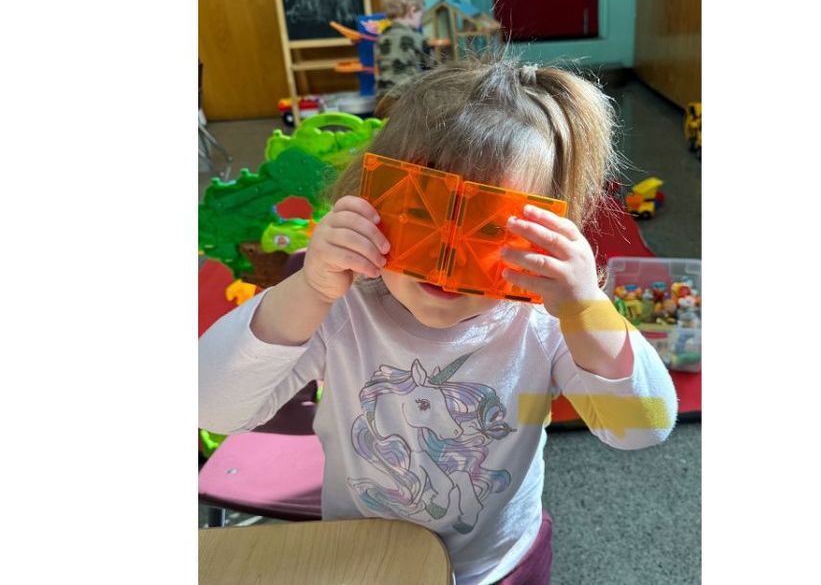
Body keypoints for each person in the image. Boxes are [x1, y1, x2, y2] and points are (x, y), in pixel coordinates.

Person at [199, 56, 678, 585]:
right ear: (368, 199)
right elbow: (208, 404)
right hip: (369, 561)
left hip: (502, 565)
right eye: (420, 215)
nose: (448, 263)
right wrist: (308, 289)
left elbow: (643, 427)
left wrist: (586, 307)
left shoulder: (542, 321)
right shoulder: (345, 307)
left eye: (489, 231)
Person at [374, 0, 431, 113]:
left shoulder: (381, 38)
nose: (420, 19)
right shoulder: (417, 38)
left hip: (382, 101)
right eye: (420, 14)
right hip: (405, 101)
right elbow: (432, 71)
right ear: (412, 11)